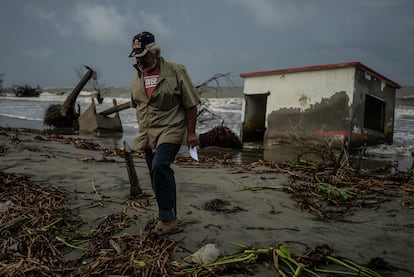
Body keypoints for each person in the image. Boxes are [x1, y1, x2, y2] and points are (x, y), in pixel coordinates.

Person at [128, 31, 200, 234]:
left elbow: (191, 103)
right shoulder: (138, 75)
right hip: (147, 132)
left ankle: (168, 219)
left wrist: (191, 133)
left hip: (171, 127)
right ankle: (168, 213)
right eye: (136, 57)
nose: (140, 61)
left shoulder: (175, 70)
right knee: (155, 175)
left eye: (143, 56)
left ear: (154, 51)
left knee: (160, 166)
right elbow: (138, 106)